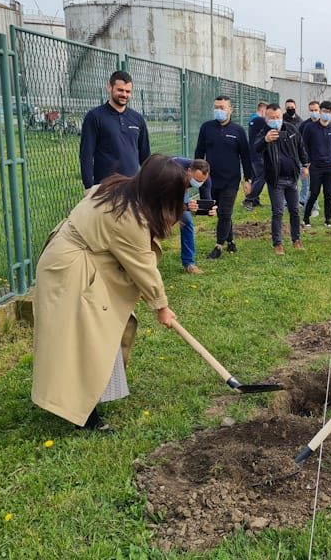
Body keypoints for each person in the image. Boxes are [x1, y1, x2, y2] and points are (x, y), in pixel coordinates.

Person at [32, 154, 184, 432]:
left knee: (95, 335)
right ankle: (83, 414)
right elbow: (144, 268)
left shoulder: (120, 188)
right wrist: (161, 307)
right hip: (71, 272)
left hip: (72, 259)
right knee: (83, 340)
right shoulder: (128, 218)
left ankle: (85, 397)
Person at [195, 95, 252, 260]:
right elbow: (199, 153)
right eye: (216, 107)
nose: (218, 110)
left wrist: (248, 179)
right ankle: (231, 241)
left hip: (231, 181)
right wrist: (198, 175)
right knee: (220, 213)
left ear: (230, 110)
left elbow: (246, 157)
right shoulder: (206, 128)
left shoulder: (238, 131)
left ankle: (218, 246)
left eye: (222, 107)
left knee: (225, 213)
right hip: (211, 180)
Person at [79, 70, 150, 191]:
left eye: (128, 91)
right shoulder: (94, 117)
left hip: (132, 186)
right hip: (106, 187)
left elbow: (145, 156)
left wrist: (148, 181)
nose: (124, 94)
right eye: (120, 90)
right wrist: (88, 186)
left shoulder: (138, 119)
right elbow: (86, 154)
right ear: (109, 87)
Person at [255, 103, 307, 255]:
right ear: (266, 118)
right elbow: (256, 148)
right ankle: (277, 243)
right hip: (275, 180)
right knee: (278, 211)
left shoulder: (291, 129)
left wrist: (305, 164)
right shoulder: (263, 132)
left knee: (295, 210)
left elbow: (301, 147)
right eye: (272, 118)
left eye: (278, 117)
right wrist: (266, 140)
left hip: (292, 178)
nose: (275, 120)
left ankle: (296, 239)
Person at [302, 100, 331, 228]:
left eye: (329, 112)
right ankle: (306, 218)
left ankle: (328, 220)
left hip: (330, 167)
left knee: (329, 194)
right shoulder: (310, 128)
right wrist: (306, 163)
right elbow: (304, 145)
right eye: (325, 111)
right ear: (320, 111)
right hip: (315, 167)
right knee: (313, 193)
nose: (327, 114)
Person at [173, 157, 215, 274]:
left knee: (186, 222)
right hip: (162, 187)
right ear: (189, 171)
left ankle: (189, 264)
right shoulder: (174, 170)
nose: (199, 183)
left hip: (182, 190)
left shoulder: (204, 178)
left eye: (202, 181)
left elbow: (206, 201)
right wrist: (186, 206)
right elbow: (170, 202)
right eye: (197, 180)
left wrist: (210, 211)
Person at [243, 101, 269, 211]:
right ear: (263, 110)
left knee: (255, 176)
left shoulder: (252, 119)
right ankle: (249, 199)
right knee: (262, 176)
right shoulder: (259, 120)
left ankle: (255, 200)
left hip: (253, 153)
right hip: (258, 154)